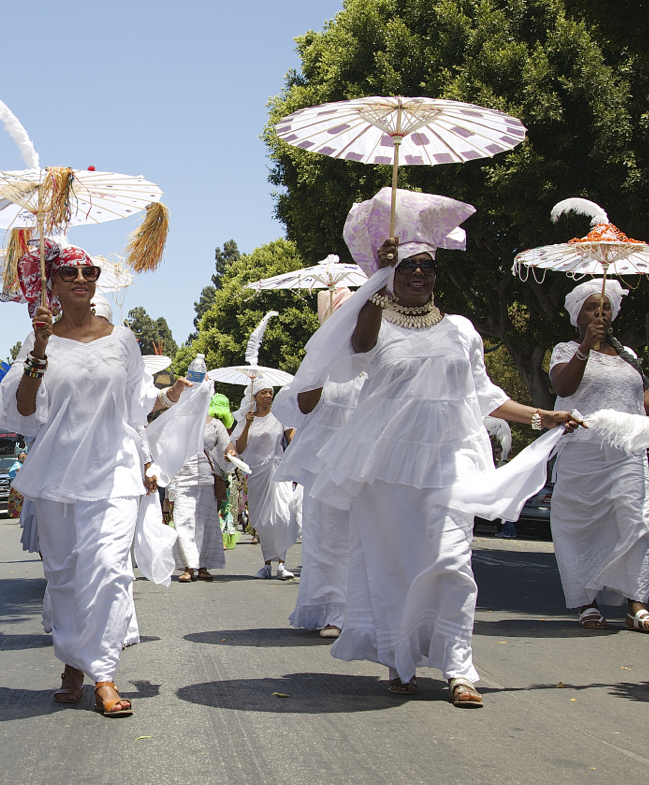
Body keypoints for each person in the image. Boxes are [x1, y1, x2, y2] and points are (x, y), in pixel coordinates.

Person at [302, 188, 582, 708]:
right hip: (387, 468)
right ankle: (400, 660)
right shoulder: (376, 321)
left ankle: (458, 667)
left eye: (426, 266)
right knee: (395, 567)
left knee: (453, 560)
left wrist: (543, 415)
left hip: (452, 459)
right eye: (407, 266)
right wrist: (376, 279)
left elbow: (484, 396)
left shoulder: (462, 330)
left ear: (436, 273)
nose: (418, 274)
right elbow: (358, 348)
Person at [0, 238, 188, 718]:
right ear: (52, 283)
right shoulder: (40, 338)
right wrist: (38, 350)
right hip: (59, 471)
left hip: (114, 468)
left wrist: (145, 461)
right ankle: (72, 665)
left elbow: (137, 408)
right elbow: (22, 407)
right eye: (71, 272)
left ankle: (102, 672)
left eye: (90, 272)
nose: (82, 279)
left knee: (109, 569)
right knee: (64, 575)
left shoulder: (123, 339)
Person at [549, 280, 649, 632]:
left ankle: (636, 604)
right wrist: (586, 346)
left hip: (628, 450)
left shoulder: (629, 355)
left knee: (635, 521)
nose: (600, 312)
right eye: (591, 307)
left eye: (604, 307)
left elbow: (646, 405)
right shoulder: (564, 349)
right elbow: (563, 387)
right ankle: (587, 602)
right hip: (583, 451)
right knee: (581, 526)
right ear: (578, 316)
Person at [275, 286, 362, 637]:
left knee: (364, 537)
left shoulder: (375, 356)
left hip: (367, 458)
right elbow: (304, 405)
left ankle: (362, 612)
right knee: (327, 538)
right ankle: (332, 612)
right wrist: (321, 362)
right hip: (323, 461)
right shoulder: (320, 359)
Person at [234, 385, 299, 579]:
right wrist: (247, 424)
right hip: (256, 474)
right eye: (264, 392)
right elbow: (240, 447)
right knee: (262, 520)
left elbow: (293, 440)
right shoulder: (246, 419)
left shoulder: (281, 416)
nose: (269, 395)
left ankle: (282, 564)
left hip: (278, 471)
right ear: (254, 396)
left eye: (271, 392)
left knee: (282, 516)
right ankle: (266, 565)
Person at [170, 397, 236, 582]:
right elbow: (169, 448)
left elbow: (227, 444)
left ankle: (203, 565)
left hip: (207, 478)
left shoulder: (215, 425)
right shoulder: (180, 422)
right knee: (183, 521)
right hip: (183, 477)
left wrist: (231, 452)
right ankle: (188, 567)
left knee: (204, 523)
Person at [7, 451, 27, 518]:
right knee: (17, 500)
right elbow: (15, 470)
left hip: (26, 485)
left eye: (24, 455)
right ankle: (16, 514)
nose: (23, 457)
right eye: (22, 456)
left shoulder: (28, 463)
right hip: (18, 486)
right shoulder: (17, 464)